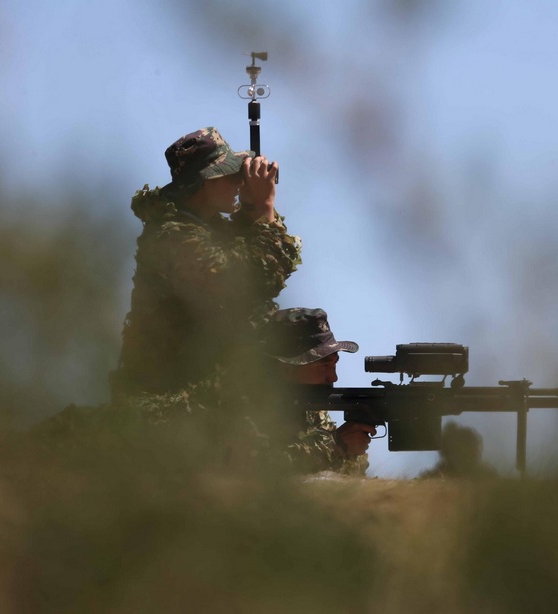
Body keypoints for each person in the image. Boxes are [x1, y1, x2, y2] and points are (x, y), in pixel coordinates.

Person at [110, 127, 301, 398]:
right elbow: (246, 285)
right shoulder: (173, 235)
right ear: (205, 181)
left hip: (194, 391)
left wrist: (250, 211)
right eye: (231, 175)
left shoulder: (204, 227)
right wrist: (265, 208)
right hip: (166, 400)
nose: (239, 182)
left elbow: (254, 257)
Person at [260, 308, 376, 475]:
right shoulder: (248, 402)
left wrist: (351, 450)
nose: (333, 377)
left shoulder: (309, 405)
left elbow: (340, 472)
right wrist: (337, 444)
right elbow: (262, 466)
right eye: (323, 366)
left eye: (334, 364)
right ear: (286, 368)